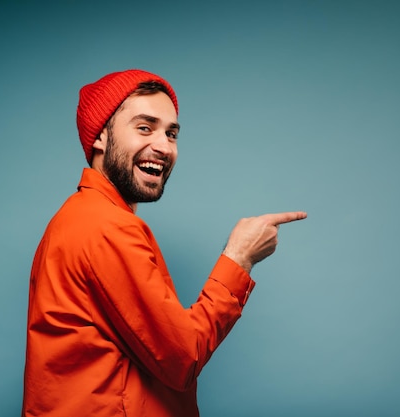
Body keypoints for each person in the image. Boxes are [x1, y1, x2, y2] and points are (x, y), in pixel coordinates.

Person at [21, 69, 307, 417]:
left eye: (171, 133)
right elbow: (182, 358)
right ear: (100, 137)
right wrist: (239, 259)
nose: (163, 146)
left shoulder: (83, 216)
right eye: (144, 127)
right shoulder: (105, 226)